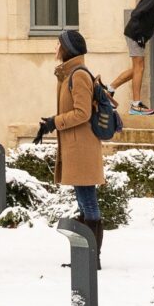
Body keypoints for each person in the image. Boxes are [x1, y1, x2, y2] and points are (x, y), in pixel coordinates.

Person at [36, 30, 107, 248]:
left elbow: (82, 113)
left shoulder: (78, 75)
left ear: (67, 48)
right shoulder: (69, 74)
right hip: (75, 146)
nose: (55, 48)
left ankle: (91, 257)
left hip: (82, 148)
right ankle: (85, 255)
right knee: (83, 202)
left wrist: (54, 122)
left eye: (58, 44)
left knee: (88, 202)